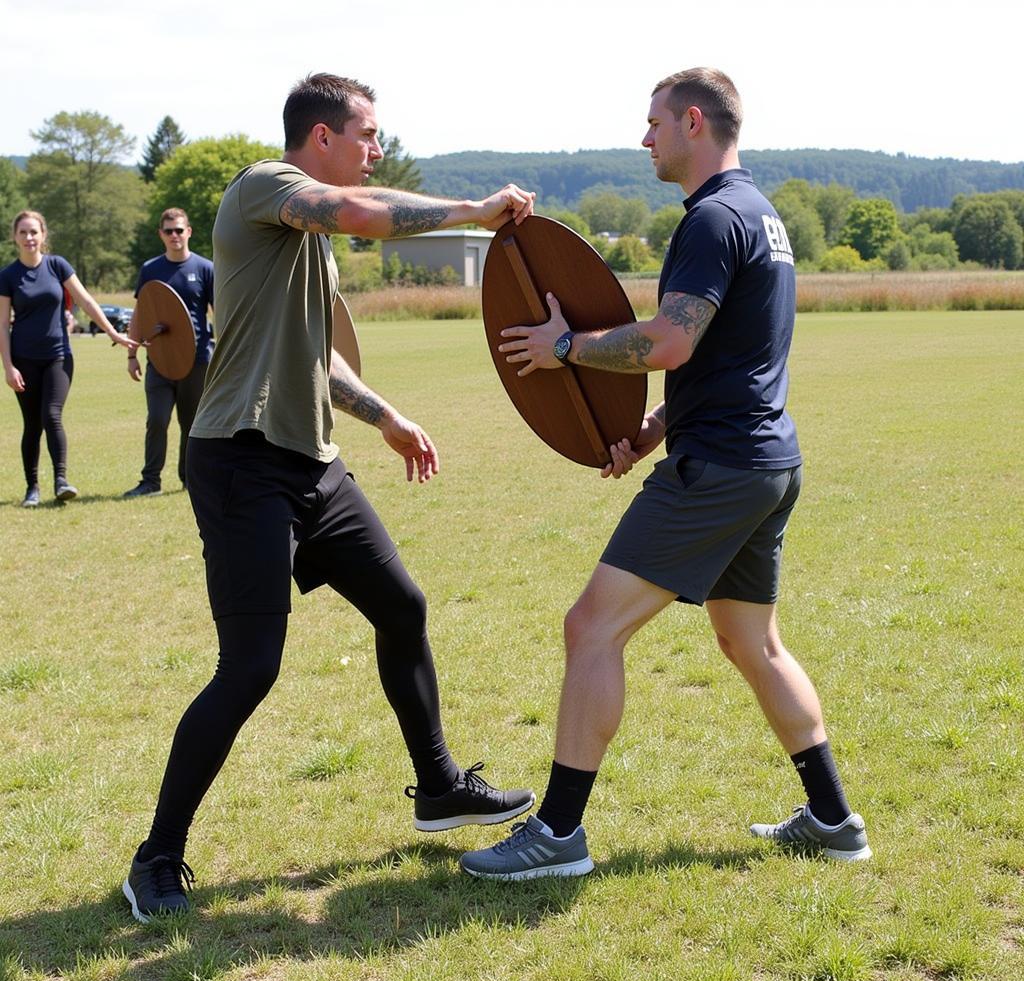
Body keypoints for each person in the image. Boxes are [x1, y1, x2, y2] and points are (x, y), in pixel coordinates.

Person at [122, 72, 538, 922]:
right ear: (322, 138)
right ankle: (155, 860)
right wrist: (473, 208)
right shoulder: (266, 189)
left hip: (312, 461)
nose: (377, 148)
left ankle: (437, 786)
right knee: (249, 669)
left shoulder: (301, 243)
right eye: (368, 135)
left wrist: (385, 417)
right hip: (240, 462)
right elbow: (365, 214)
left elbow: (317, 354)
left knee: (403, 606)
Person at [461, 68, 871, 881]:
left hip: (719, 467)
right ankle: (833, 819)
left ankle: (560, 835)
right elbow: (724, 360)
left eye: (652, 123)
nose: (644, 137)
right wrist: (648, 430)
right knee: (750, 640)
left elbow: (671, 344)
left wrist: (566, 348)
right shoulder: (760, 214)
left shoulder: (713, 219)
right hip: (765, 460)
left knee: (591, 627)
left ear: (692, 122)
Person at [0, 210, 136, 507]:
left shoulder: (57, 266)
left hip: (58, 357)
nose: (29, 238)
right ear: (15, 237)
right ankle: (32, 488)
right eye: (23, 232)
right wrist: (8, 366)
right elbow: (1, 325)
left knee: (52, 414)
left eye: (34, 232)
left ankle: (61, 481)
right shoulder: (7, 276)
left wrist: (114, 333)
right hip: (23, 360)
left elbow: (86, 301)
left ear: (43, 235)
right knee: (32, 424)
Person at [123, 208, 215, 497]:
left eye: (179, 230)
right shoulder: (150, 269)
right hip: (159, 360)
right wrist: (131, 353)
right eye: (168, 231)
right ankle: (150, 481)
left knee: (192, 425)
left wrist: (225, 350)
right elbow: (140, 312)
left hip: (197, 360)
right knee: (157, 419)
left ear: (188, 232)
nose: (174, 236)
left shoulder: (204, 269)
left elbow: (220, 313)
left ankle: (191, 479)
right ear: (160, 235)